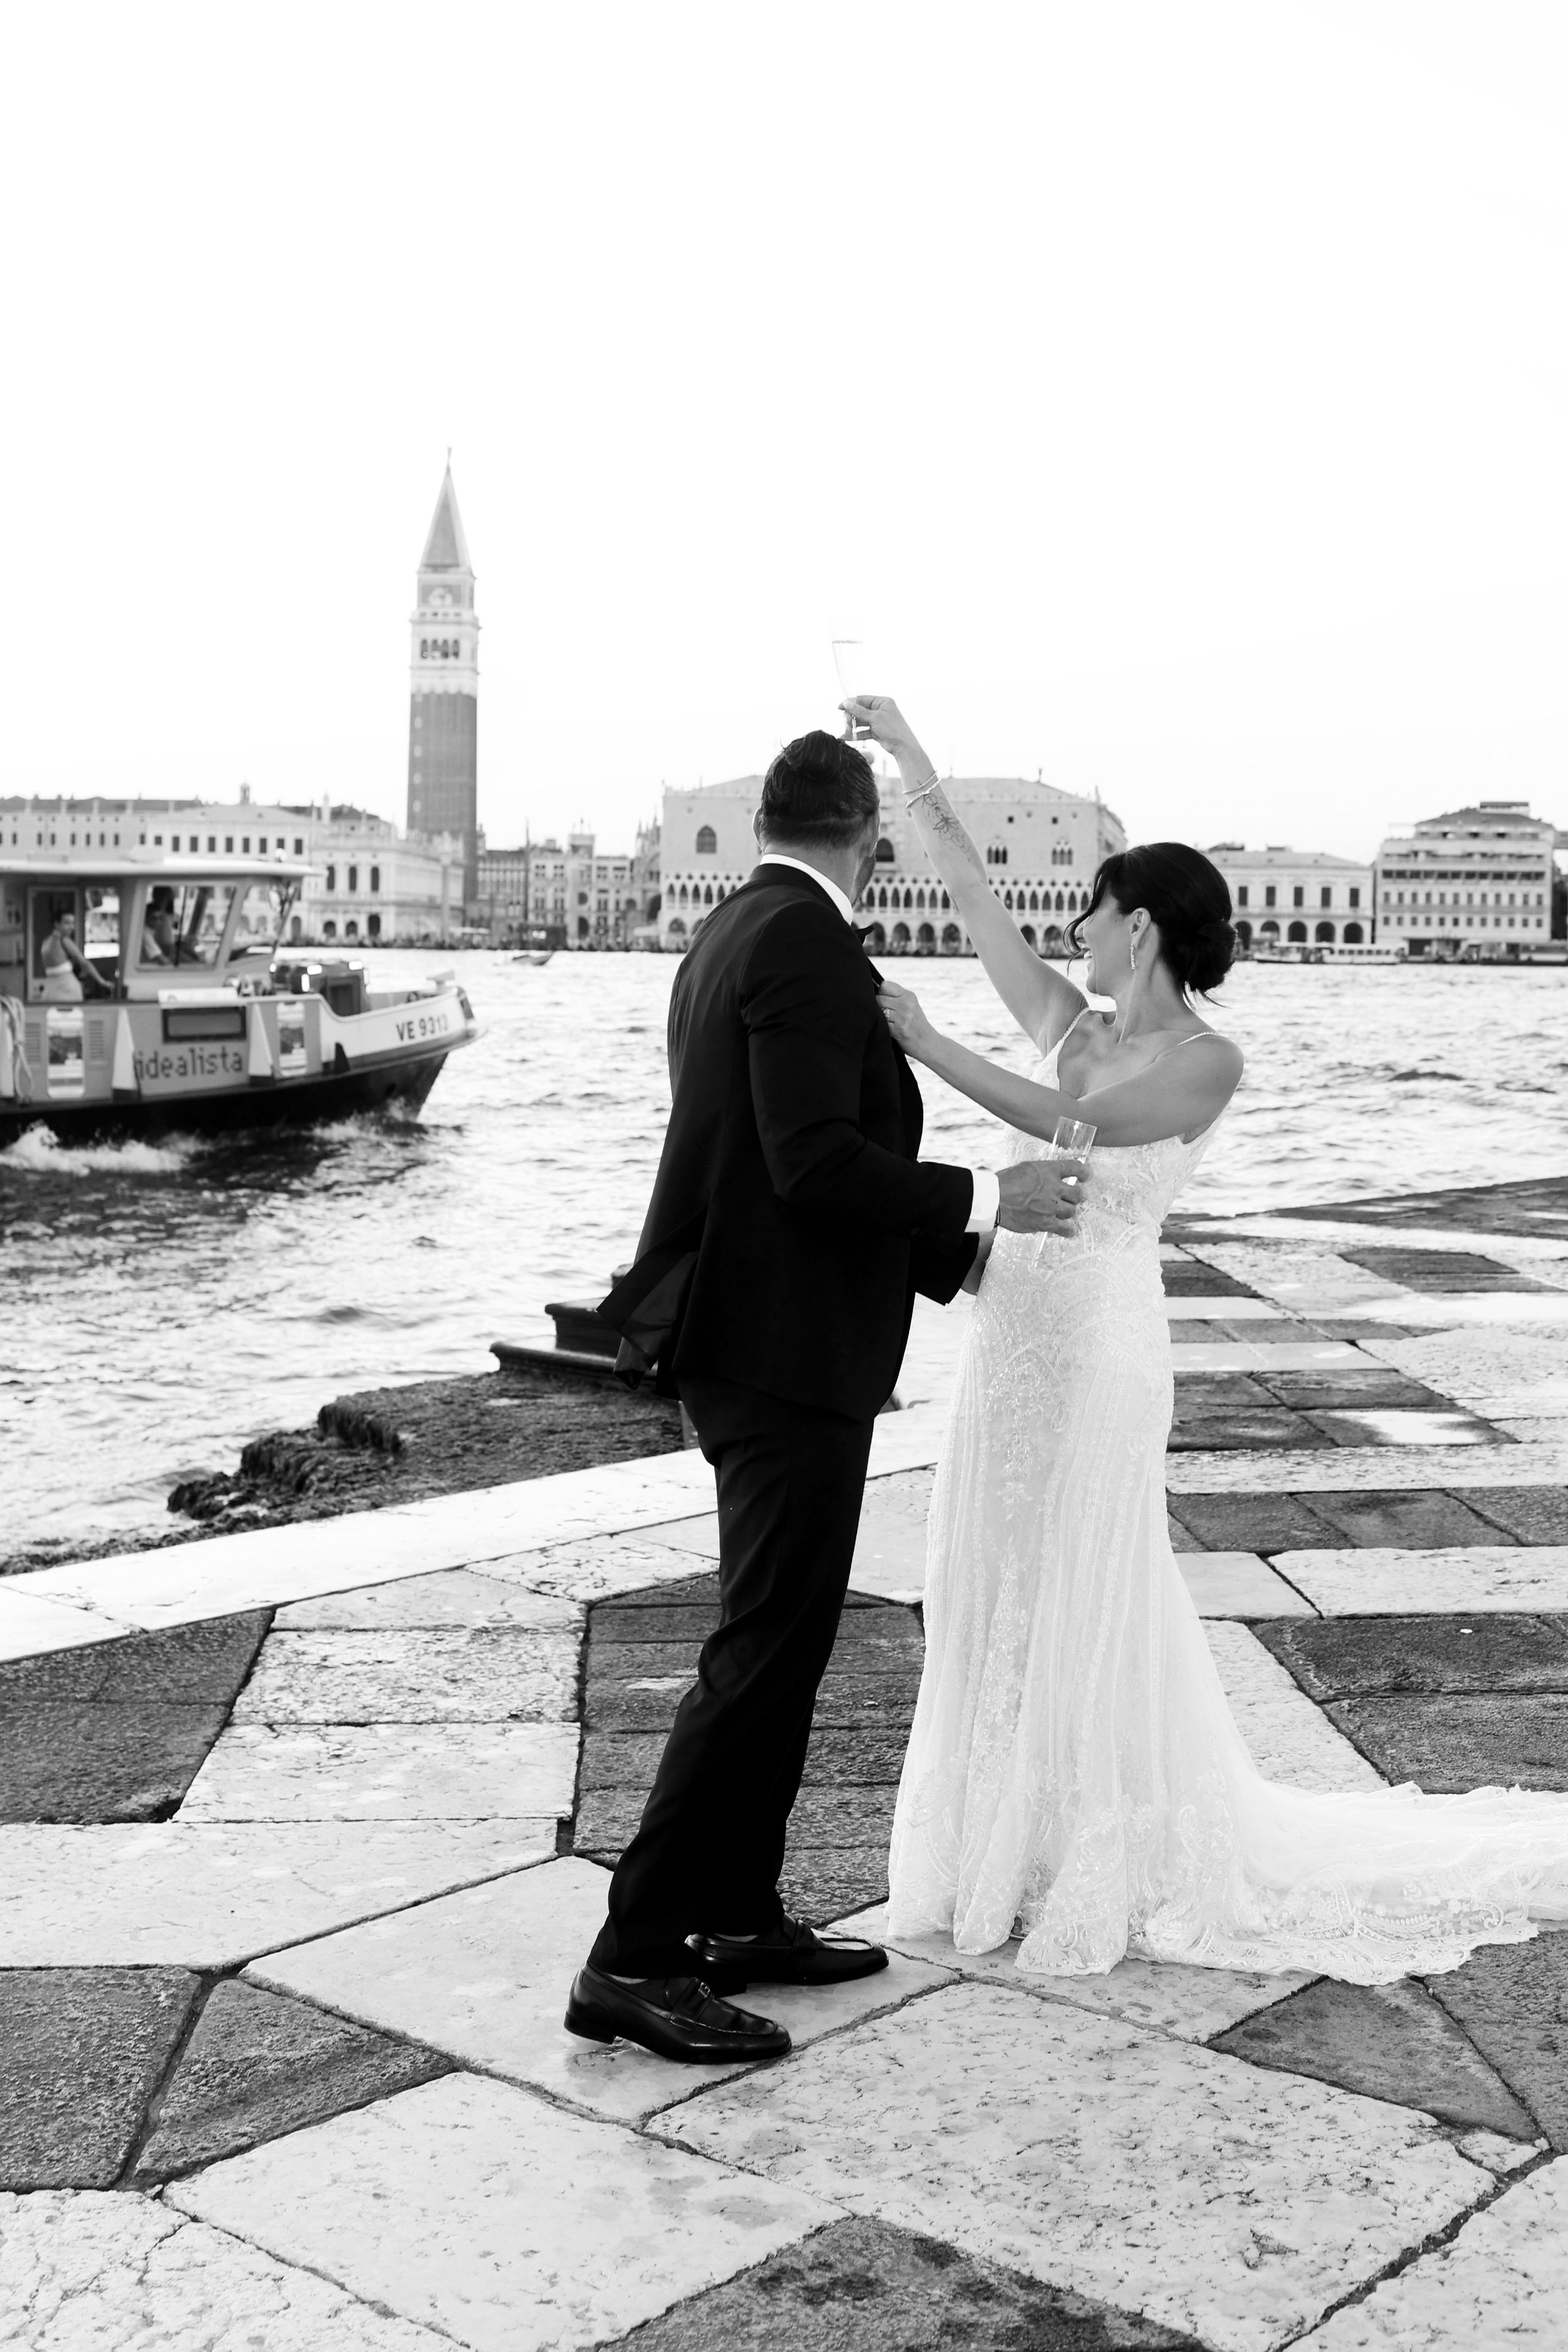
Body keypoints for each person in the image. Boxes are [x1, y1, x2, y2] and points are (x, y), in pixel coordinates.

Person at [850, 692, 1568, 1986]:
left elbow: (1064, 1125)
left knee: (1085, 1581)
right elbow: (974, 906)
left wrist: (925, 1039)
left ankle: (1095, 1850)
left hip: (1105, 1352)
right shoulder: (1077, 1026)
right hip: (1011, 1343)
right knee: (994, 1578)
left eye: (1090, 911)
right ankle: (994, 1852)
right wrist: (909, 759)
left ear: (1138, 924)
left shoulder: (1204, 1061)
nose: (1069, 930)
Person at [568, 729, 1088, 2062]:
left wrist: (954, 1261)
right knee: (758, 1653)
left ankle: (739, 1918)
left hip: (754, 1335)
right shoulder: (803, 945)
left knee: (782, 1643)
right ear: (863, 835)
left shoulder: (726, 933)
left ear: (767, 820)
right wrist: (986, 1197)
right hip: (780, 1352)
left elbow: (763, 1154)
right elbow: (811, 1161)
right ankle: (630, 1958)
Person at [40, 908, 108, 1002]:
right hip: (67, 990)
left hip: (49, 991)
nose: (72, 927)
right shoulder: (64, 940)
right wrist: (101, 981)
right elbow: (85, 963)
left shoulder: (46, 942)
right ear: (57, 924)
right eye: (67, 923)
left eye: (73, 923)